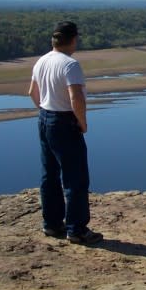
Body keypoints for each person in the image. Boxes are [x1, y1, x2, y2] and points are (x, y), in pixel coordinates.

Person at [29, 21, 102, 245]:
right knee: (75, 178)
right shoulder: (70, 65)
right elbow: (76, 98)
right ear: (73, 39)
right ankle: (76, 230)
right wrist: (82, 122)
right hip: (64, 122)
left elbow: (32, 92)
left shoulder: (42, 61)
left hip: (45, 119)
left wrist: (45, 111)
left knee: (49, 175)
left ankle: (51, 224)